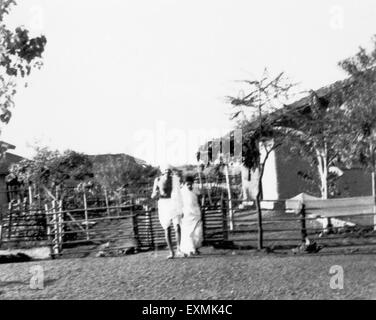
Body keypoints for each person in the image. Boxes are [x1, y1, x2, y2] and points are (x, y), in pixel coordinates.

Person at [151, 164, 183, 259]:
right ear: (162, 171)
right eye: (166, 171)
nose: (168, 172)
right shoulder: (157, 180)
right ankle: (171, 252)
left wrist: (181, 207)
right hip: (163, 204)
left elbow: (179, 192)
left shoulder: (175, 179)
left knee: (177, 226)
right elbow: (153, 195)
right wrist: (155, 194)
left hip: (174, 202)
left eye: (169, 171)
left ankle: (179, 249)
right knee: (167, 228)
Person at [180, 175, 203, 257]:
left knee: (198, 232)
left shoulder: (196, 189)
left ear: (193, 183)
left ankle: (195, 248)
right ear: (184, 184)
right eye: (187, 184)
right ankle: (191, 249)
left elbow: (200, 199)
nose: (189, 186)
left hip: (196, 213)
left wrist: (201, 208)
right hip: (186, 214)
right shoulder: (181, 191)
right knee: (188, 233)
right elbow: (179, 203)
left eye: (191, 184)